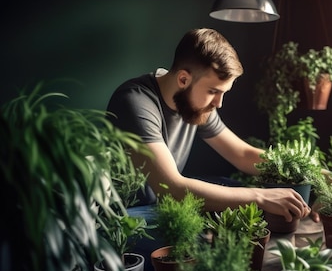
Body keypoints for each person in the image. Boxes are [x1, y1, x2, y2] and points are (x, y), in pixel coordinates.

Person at [106, 28, 316, 224]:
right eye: (214, 91)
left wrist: (314, 172)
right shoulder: (135, 102)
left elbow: (242, 154)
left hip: (161, 205)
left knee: (233, 195)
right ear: (183, 79)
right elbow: (171, 189)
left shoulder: (196, 103)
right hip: (124, 218)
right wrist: (259, 196)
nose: (219, 103)